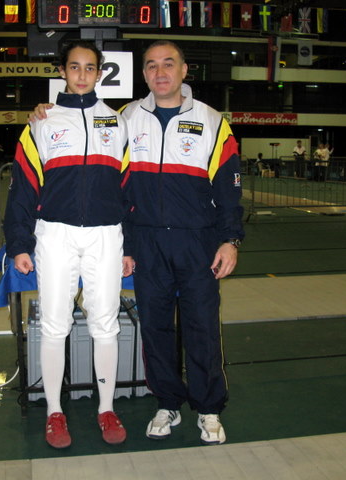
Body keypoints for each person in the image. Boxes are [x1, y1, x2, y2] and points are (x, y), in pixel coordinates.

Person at [33, 40, 244, 446]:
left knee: (201, 327)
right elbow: (113, 177)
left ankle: (208, 408)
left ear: (185, 70)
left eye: (169, 64)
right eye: (151, 66)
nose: (160, 72)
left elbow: (229, 187)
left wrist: (230, 239)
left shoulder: (213, 121)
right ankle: (167, 403)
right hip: (147, 242)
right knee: (156, 329)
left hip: (197, 242)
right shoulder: (126, 118)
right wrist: (44, 111)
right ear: (143, 73)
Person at [4, 41, 130, 449]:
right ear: (62, 71)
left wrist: (131, 247)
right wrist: (19, 243)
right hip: (54, 234)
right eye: (74, 67)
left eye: (89, 68)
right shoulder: (41, 123)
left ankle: (106, 408)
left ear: (100, 73)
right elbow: (22, 189)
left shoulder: (117, 122)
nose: (81, 75)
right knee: (55, 325)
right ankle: (55, 413)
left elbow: (130, 189)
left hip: (105, 234)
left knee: (105, 324)